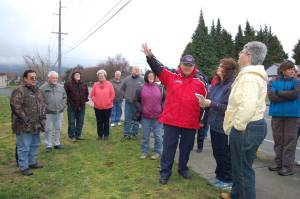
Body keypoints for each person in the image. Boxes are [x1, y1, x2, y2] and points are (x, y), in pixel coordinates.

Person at [141, 43, 207, 185]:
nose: (187, 67)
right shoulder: (170, 76)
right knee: (168, 149)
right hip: (171, 121)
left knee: (185, 149)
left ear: (193, 66)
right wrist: (150, 57)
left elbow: (205, 104)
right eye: (184, 64)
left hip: (190, 123)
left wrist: (201, 120)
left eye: (189, 65)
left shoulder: (200, 82)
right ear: (180, 64)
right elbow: (158, 68)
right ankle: (165, 173)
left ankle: (182, 170)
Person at [221, 41, 268, 199]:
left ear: (248, 55)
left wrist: (238, 126)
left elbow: (247, 106)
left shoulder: (250, 77)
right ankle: (236, 195)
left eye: (242, 51)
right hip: (250, 126)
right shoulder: (250, 75)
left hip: (246, 127)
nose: (239, 54)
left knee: (243, 170)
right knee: (239, 167)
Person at [199, 58, 238, 189]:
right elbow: (211, 100)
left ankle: (228, 180)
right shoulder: (218, 84)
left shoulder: (232, 86)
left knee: (225, 155)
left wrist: (211, 103)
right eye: (219, 65)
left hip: (224, 126)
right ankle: (219, 176)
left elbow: (229, 107)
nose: (219, 68)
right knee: (217, 153)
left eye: (222, 66)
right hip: (214, 124)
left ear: (228, 70)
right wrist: (204, 101)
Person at [267, 60, 300, 176]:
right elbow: (272, 96)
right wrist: (287, 94)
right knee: (278, 140)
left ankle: (287, 167)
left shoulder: (297, 82)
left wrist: (279, 93)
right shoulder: (272, 82)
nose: (293, 71)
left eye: (293, 69)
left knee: (289, 142)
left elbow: (295, 94)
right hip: (276, 115)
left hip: (293, 116)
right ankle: (278, 163)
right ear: (283, 70)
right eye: (290, 69)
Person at [10, 70, 46, 176]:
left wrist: (42, 118)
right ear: (25, 78)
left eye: (35, 77)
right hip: (23, 125)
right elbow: (15, 106)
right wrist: (25, 119)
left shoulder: (37, 90)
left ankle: (32, 162)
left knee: (34, 145)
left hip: (36, 124)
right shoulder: (19, 90)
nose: (34, 79)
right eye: (31, 77)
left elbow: (42, 105)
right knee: (23, 146)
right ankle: (24, 167)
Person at [134, 70, 163, 160]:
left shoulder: (160, 87)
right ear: (146, 77)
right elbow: (136, 100)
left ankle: (157, 152)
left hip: (158, 117)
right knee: (145, 136)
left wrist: (162, 108)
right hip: (145, 117)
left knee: (158, 136)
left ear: (155, 77)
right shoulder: (141, 88)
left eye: (153, 76)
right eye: (149, 76)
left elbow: (165, 99)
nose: (151, 77)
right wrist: (141, 109)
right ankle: (144, 152)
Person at [40, 71, 67, 152]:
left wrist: (62, 106)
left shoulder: (61, 87)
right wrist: (46, 108)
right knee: (48, 129)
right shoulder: (43, 88)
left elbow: (65, 97)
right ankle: (48, 145)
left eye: (56, 78)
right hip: (48, 113)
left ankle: (57, 143)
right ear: (49, 78)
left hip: (59, 112)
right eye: (53, 78)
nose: (55, 79)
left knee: (58, 128)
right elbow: (40, 100)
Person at [90, 70, 115, 141]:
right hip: (97, 108)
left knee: (106, 121)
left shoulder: (109, 84)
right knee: (99, 122)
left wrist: (108, 102)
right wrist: (96, 101)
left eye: (102, 76)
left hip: (107, 107)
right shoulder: (95, 84)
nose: (101, 77)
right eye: (99, 76)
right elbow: (92, 95)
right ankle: (100, 135)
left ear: (105, 76)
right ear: (98, 77)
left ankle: (106, 135)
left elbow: (112, 95)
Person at [64, 71, 89, 142]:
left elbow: (86, 93)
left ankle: (78, 135)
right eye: (76, 74)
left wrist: (85, 100)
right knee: (71, 121)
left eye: (79, 74)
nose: (78, 75)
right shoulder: (68, 84)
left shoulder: (83, 84)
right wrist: (67, 102)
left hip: (82, 106)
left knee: (80, 121)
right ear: (73, 76)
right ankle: (72, 136)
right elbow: (65, 94)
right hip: (72, 106)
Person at [121, 66, 144, 140]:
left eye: (138, 69)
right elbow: (122, 89)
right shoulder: (126, 79)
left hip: (137, 104)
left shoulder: (142, 80)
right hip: (128, 103)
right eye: (135, 69)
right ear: (132, 71)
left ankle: (134, 134)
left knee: (136, 120)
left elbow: (144, 90)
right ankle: (126, 134)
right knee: (127, 119)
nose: (137, 70)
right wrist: (125, 96)